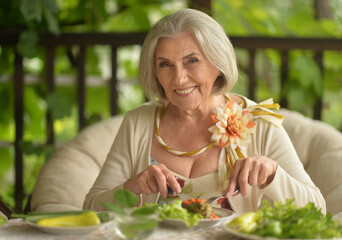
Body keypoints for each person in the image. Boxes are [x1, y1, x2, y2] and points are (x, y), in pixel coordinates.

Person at [84, 8, 326, 214]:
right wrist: (132, 188)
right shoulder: (138, 122)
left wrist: (273, 175)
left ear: (218, 64)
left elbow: (317, 209)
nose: (179, 78)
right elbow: (91, 207)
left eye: (192, 60)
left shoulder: (259, 122)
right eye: (165, 64)